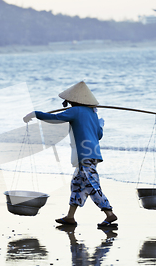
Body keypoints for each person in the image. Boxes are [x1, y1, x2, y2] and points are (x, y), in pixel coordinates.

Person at [23, 81, 117, 227]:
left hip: (85, 155)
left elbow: (55, 118)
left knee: (92, 184)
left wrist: (36, 114)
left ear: (73, 100)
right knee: (77, 185)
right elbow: (98, 135)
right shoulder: (92, 113)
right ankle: (70, 217)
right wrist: (101, 125)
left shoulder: (76, 111)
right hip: (92, 155)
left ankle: (109, 213)